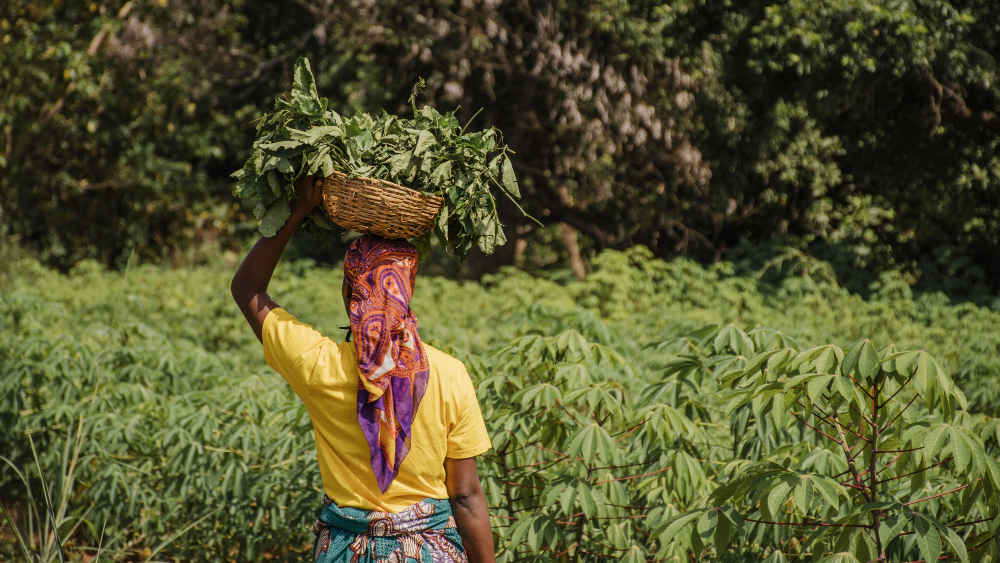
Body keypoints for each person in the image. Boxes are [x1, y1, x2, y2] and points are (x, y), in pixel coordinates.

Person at [231, 175, 496, 563]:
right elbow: (465, 494)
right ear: (407, 292)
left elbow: (247, 289)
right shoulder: (450, 374)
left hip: (345, 551)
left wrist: (298, 210)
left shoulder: (318, 365)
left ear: (349, 294)